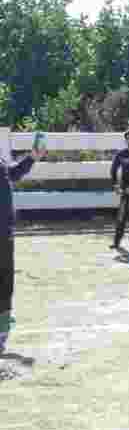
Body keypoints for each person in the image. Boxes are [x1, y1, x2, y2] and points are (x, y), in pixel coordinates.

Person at [0, 144, 43, 352]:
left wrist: (32, 157)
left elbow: (14, 173)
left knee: (6, 281)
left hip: (4, 234)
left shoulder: (0, 164)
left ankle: (3, 325)